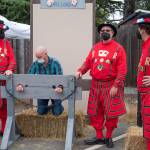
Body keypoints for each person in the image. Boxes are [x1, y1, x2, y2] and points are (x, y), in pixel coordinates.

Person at [75, 23, 127, 148]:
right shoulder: (95, 48)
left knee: (111, 113)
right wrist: (80, 71)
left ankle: (108, 136)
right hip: (95, 85)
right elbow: (87, 63)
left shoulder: (119, 49)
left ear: (112, 33)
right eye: (102, 30)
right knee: (95, 112)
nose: (104, 32)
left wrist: (116, 85)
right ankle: (99, 136)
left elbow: (122, 69)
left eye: (107, 30)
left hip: (111, 86)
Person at [16, 46, 64, 116]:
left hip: (55, 91)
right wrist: (20, 85)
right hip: (42, 91)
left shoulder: (55, 63)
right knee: (41, 112)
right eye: (37, 57)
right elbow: (28, 77)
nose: (38, 59)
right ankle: (50, 107)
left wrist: (60, 87)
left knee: (57, 113)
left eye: (40, 57)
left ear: (46, 54)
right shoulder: (35, 64)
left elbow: (61, 78)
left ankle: (57, 107)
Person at [134, 13, 150, 150]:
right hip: (145, 93)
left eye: (138, 27)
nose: (138, 30)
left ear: (142, 28)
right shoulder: (146, 45)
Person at [0, 20, 16, 134]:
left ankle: (5, 129)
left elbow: (12, 60)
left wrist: (10, 69)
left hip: (5, 80)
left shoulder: (6, 44)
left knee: (5, 106)